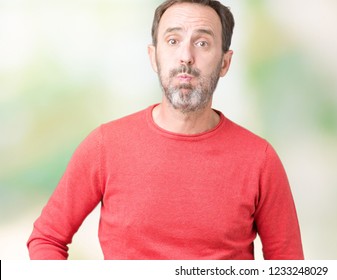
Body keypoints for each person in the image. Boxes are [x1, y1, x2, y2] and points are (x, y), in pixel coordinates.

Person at [27, 0, 304, 260]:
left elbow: (289, 266)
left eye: (202, 43)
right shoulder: (104, 146)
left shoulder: (260, 159)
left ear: (224, 63)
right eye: (173, 41)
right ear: (154, 56)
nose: (186, 56)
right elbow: (47, 238)